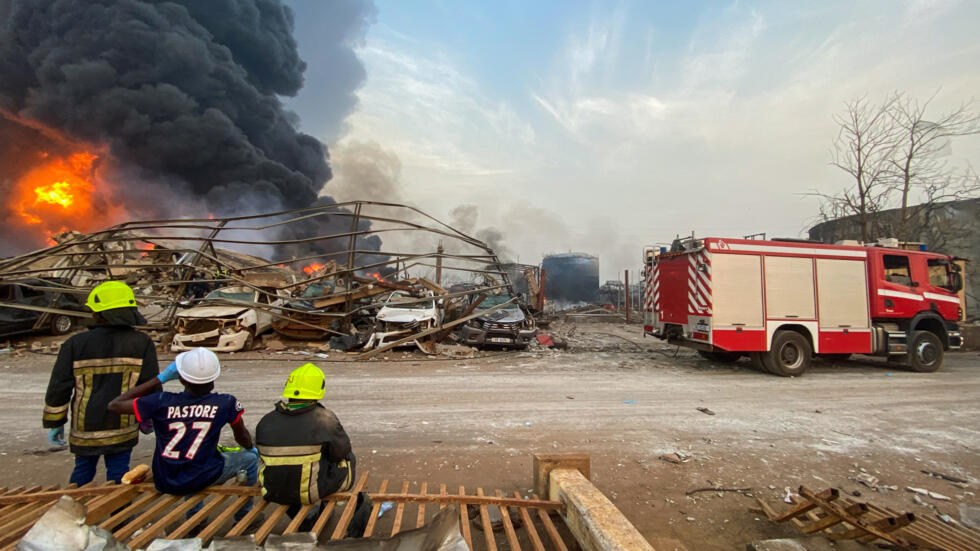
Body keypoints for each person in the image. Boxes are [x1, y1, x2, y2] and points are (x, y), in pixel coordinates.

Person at [107, 347, 258, 521]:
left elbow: (114, 405)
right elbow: (243, 437)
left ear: (181, 378)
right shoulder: (225, 403)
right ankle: (245, 516)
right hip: (203, 475)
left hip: (165, 478)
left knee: (197, 460)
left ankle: (195, 519)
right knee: (249, 459)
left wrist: (159, 378)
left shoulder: (160, 401)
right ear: (213, 379)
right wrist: (250, 448)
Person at [42, 281, 159, 486]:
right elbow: (151, 385)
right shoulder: (141, 342)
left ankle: (72, 510)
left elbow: (59, 386)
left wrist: (55, 421)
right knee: (119, 472)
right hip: (122, 425)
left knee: (83, 470)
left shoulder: (75, 344)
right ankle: (118, 514)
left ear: (100, 314)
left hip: (85, 427)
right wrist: (148, 416)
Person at [255, 363, 364, 531]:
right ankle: (323, 510)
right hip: (307, 491)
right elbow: (340, 453)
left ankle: (298, 515)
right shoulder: (324, 419)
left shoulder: (266, 420)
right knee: (348, 459)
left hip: (272, 490)